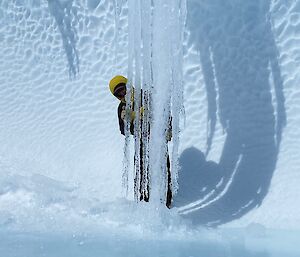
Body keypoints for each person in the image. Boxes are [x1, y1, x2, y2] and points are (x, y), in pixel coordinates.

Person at [109, 75, 172, 208]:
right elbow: (123, 130)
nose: (122, 94)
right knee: (142, 172)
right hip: (142, 144)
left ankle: (167, 201)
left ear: (129, 85)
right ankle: (143, 202)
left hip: (158, 140)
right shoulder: (122, 108)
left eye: (123, 89)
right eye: (118, 93)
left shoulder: (146, 96)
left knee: (163, 169)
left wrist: (168, 128)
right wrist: (133, 120)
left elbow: (164, 112)